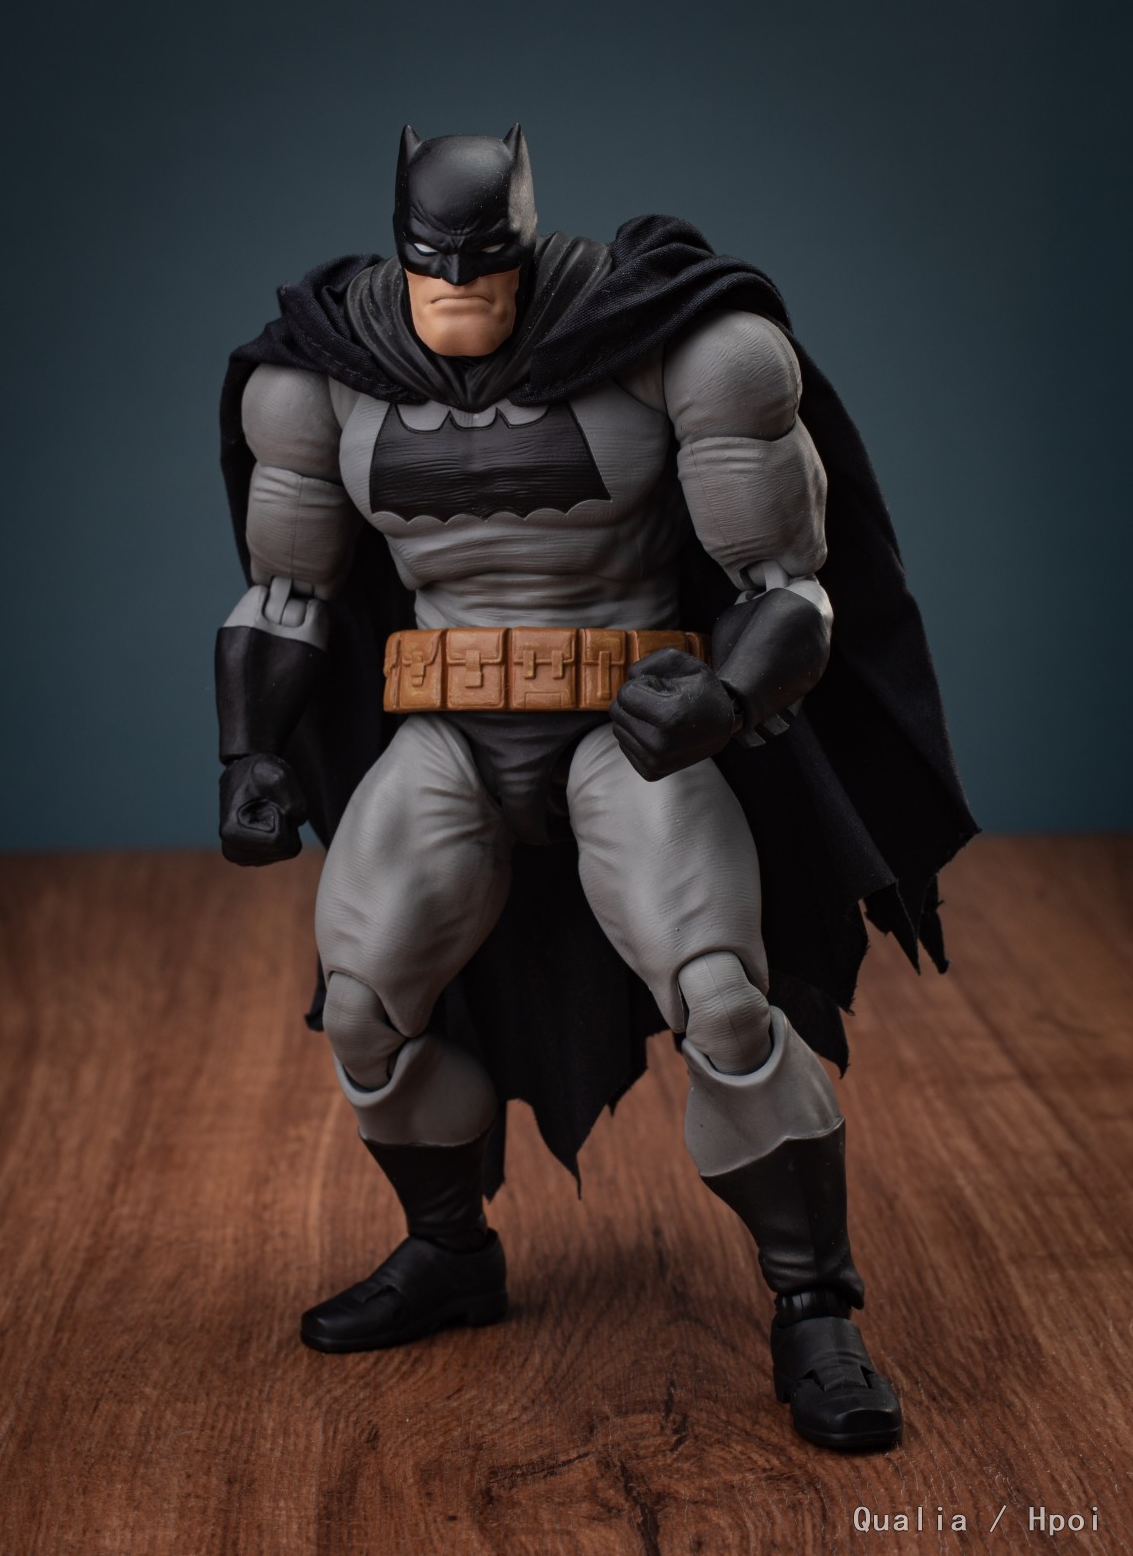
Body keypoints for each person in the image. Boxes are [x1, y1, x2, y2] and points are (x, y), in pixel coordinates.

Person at [215, 127, 976, 1452]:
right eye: (434, 274)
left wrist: (727, 699)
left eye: (483, 273)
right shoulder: (320, 380)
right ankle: (451, 1251)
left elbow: (788, 589)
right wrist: (252, 752)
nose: (459, 299)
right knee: (362, 1011)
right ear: (402, 254)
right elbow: (287, 595)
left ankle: (815, 1306)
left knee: (724, 1001)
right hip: (449, 732)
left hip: (626, 732)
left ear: (522, 245)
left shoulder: (674, 343)